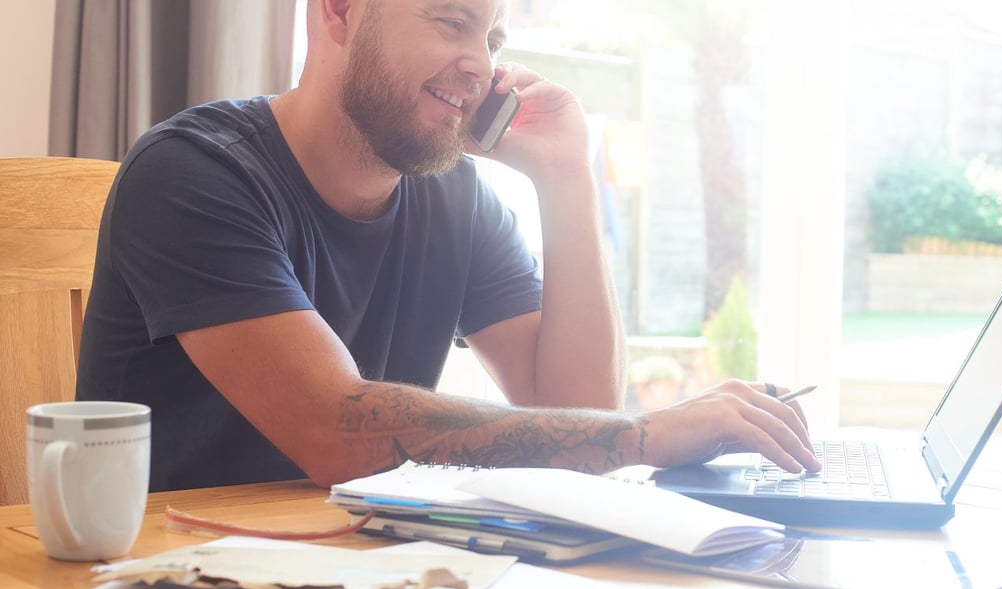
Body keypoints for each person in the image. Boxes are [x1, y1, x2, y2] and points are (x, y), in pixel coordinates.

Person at [76, 0, 821, 492]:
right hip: (181, 564)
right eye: (450, 21)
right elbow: (336, 431)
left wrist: (566, 180)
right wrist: (648, 434)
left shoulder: (457, 198)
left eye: (491, 38)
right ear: (338, 11)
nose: (482, 64)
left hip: (356, 560)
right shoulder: (193, 173)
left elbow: (579, 413)